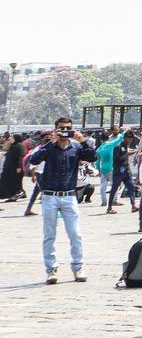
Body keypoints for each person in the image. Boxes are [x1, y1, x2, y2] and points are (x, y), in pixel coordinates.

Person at [31, 117, 97, 284]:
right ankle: (51, 269)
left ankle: (77, 267)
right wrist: (48, 143)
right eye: (61, 128)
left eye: (68, 128)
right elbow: (34, 160)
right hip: (49, 195)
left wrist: (82, 142)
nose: (64, 131)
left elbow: (93, 157)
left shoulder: (75, 147)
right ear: (55, 129)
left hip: (69, 195)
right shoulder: (48, 148)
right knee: (49, 235)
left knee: (75, 234)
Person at [106, 130, 139, 214]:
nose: (130, 141)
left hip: (126, 171)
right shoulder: (118, 146)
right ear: (125, 138)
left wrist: (135, 151)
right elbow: (116, 159)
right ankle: (109, 207)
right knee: (114, 189)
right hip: (118, 172)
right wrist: (127, 154)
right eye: (129, 139)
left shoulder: (125, 146)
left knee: (131, 187)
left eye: (131, 140)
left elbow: (126, 154)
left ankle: (133, 205)